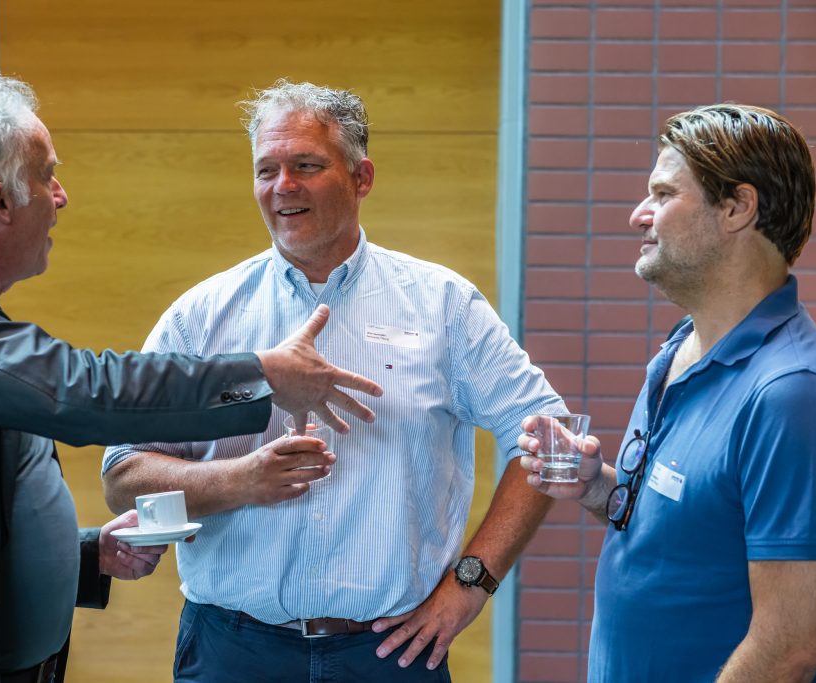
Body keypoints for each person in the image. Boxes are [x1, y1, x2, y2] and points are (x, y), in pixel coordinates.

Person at [0, 70, 383, 683]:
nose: (60, 197)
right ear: (2, 202)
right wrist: (261, 375)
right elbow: (78, 390)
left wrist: (84, 554)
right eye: (46, 175)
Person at [102, 79, 565, 682]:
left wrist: (471, 584)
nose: (282, 186)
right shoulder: (201, 316)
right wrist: (241, 480)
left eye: (306, 165)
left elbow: (548, 441)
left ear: (361, 177)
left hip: (390, 653)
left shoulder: (442, 305)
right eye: (266, 170)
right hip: (231, 649)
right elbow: (124, 477)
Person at [519, 104, 816, 682]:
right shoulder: (682, 346)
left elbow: (792, 644)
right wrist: (599, 488)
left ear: (736, 208)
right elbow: (690, 529)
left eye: (663, 195)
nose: (639, 214)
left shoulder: (791, 394)